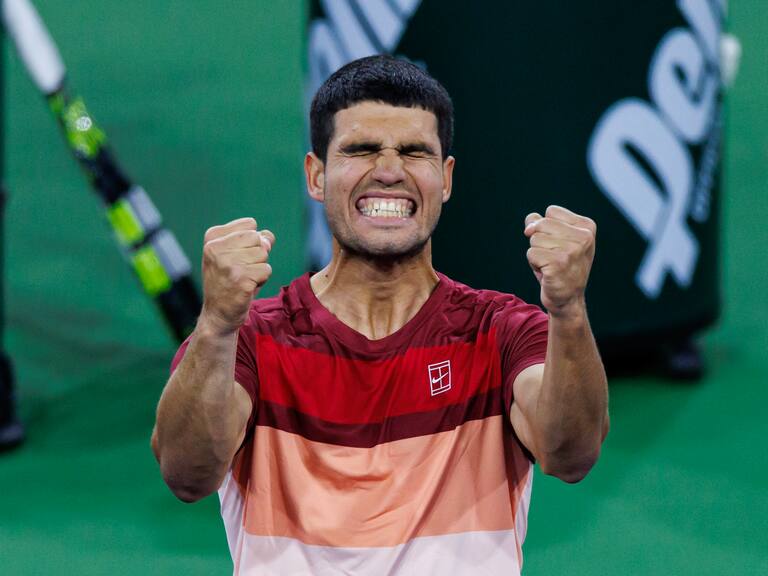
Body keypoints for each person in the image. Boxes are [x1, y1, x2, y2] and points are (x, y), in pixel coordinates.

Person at [152, 55, 609, 575]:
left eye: (415, 152)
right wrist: (214, 324)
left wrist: (569, 311)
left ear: (446, 178)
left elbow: (571, 455)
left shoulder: (501, 333)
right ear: (317, 175)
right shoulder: (250, 340)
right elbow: (185, 473)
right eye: (361, 150)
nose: (390, 171)